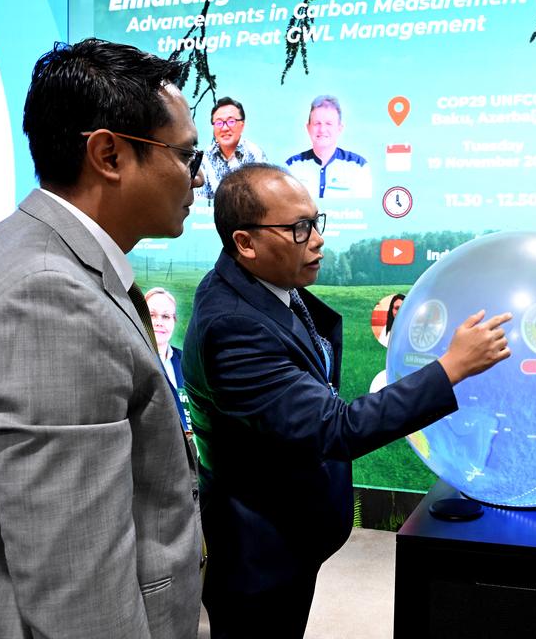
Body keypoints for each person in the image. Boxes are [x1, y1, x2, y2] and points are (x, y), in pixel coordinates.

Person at [182, 163, 510, 637]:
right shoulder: (234, 327)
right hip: (259, 554)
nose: (316, 239)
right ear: (245, 243)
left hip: (289, 537)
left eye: (316, 222)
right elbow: (334, 428)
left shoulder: (260, 286)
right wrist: (451, 368)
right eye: (298, 228)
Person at [0, 39, 205, 637]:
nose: (196, 181)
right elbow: (79, 600)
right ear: (109, 154)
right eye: (187, 157)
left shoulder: (35, 253)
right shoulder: (50, 299)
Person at [285, 95, 372, 199]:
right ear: (308, 128)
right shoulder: (291, 166)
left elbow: (364, 211)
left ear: (339, 128)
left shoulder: (358, 166)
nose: (322, 129)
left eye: (329, 124)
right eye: (317, 123)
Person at [196, 96, 268, 198]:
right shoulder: (205, 158)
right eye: (219, 123)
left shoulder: (255, 155)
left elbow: (262, 197)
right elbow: (200, 199)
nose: (224, 128)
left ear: (242, 125)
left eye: (231, 121)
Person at [146, 286, 194, 436]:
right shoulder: (133, 360)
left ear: (174, 321)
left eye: (166, 316)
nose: (159, 322)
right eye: (151, 315)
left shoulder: (187, 361)